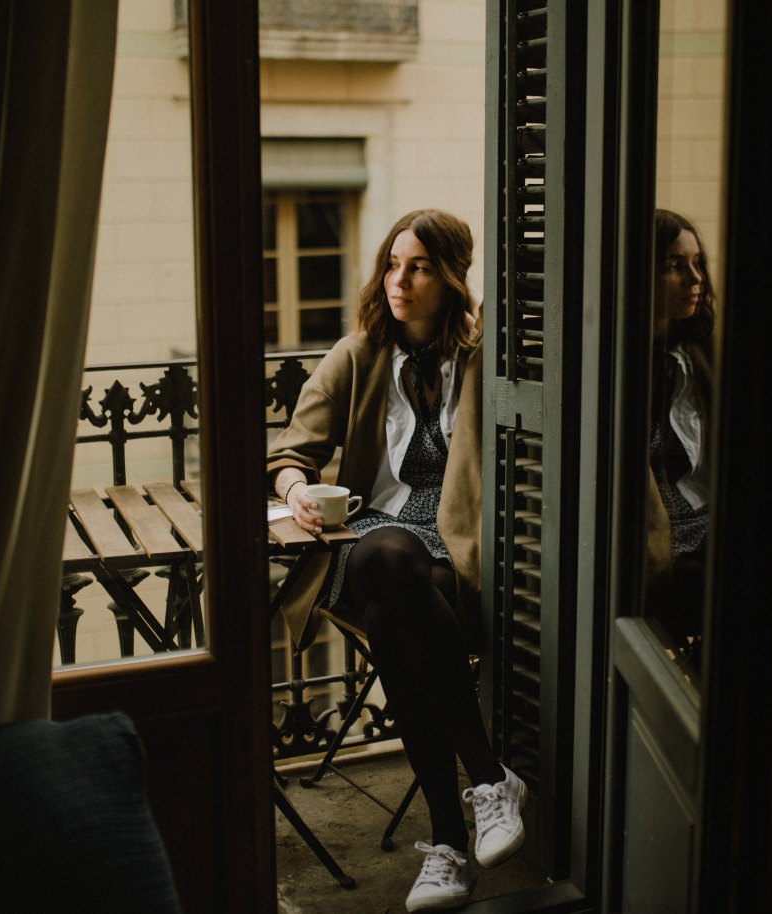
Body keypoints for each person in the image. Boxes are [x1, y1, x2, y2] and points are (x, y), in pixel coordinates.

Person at [267, 209, 526, 910]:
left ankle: (447, 843)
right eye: (391, 265)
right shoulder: (356, 355)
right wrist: (297, 494)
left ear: (450, 278)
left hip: (452, 546)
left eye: (417, 267)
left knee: (398, 620)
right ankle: (488, 776)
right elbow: (290, 453)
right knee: (389, 561)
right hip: (372, 538)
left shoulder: (480, 358)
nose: (399, 281)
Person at [647, 208, 716, 663]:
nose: (694, 279)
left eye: (697, 265)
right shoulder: (610, 362)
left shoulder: (699, 357)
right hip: (648, 529)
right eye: (675, 266)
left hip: (702, 516)